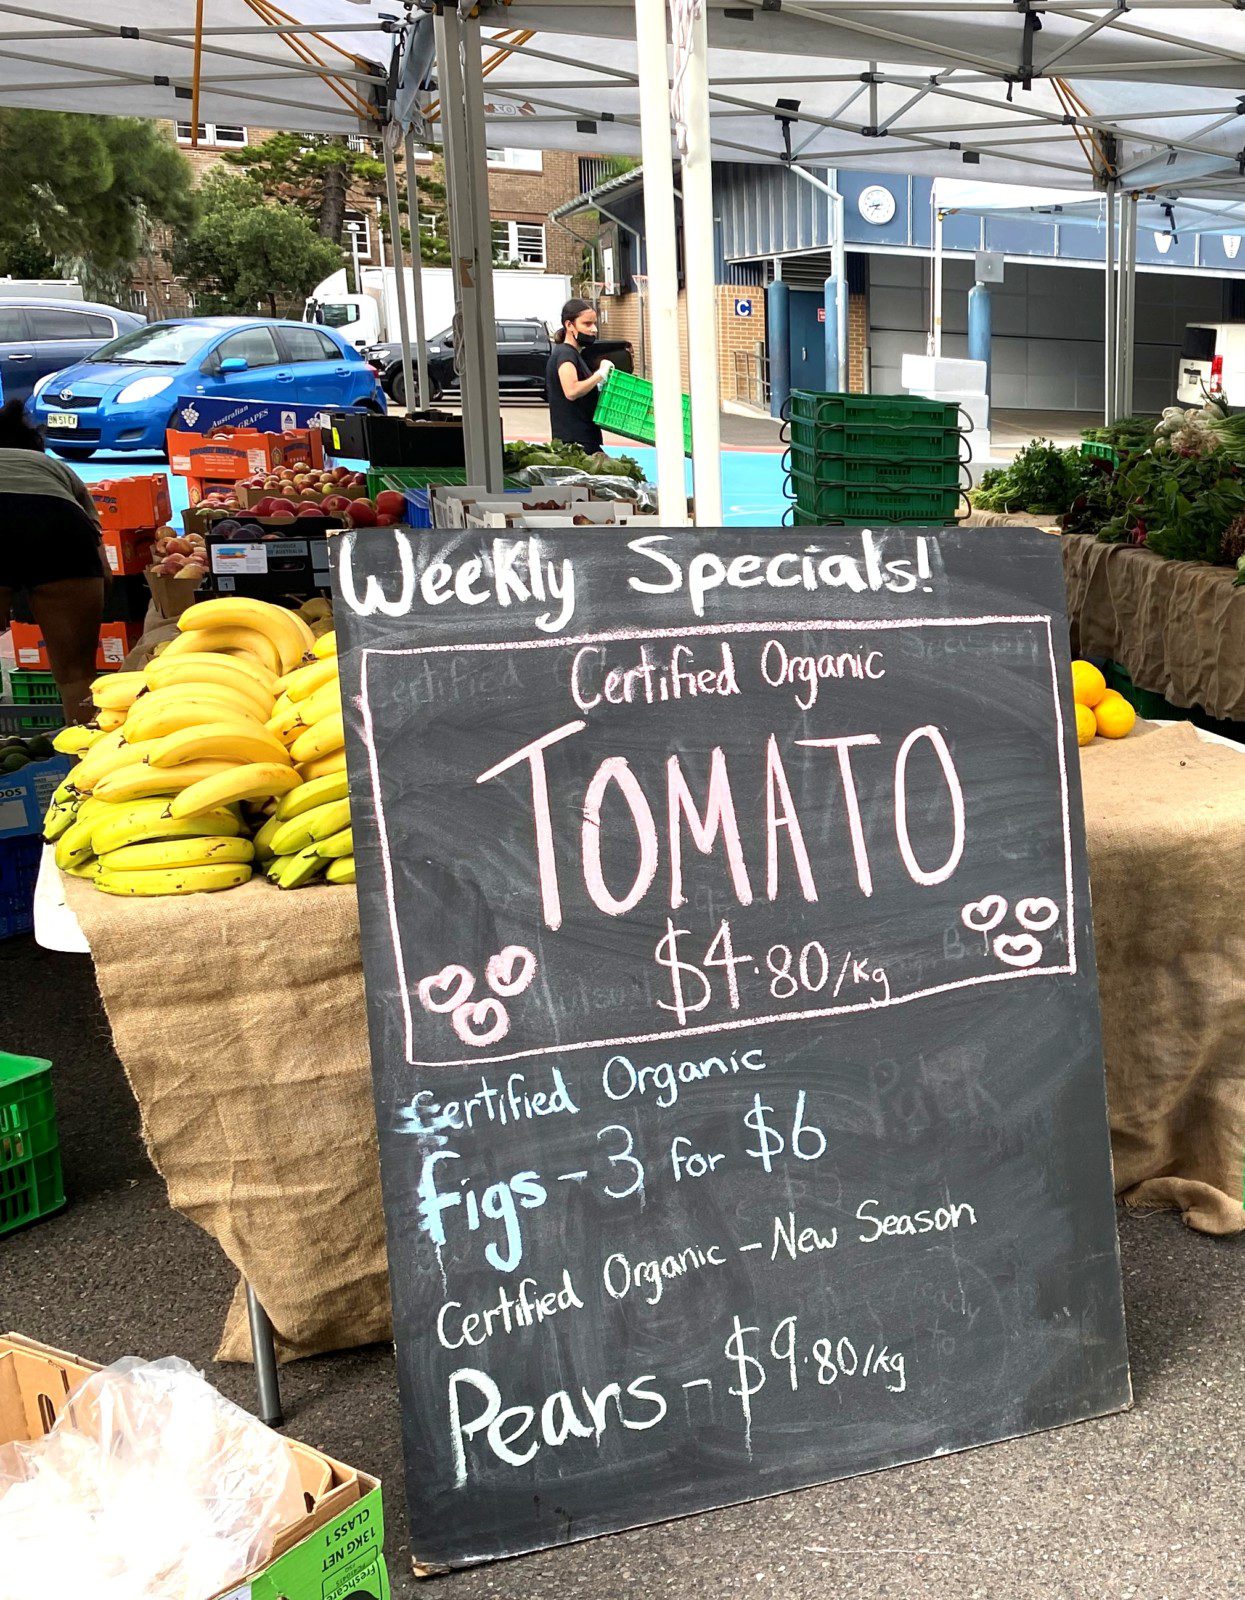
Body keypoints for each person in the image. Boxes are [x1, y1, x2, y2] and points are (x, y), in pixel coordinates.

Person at [0, 399, 106, 723]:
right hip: (59, 526)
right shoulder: (55, 468)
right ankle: (86, 750)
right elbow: (102, 562)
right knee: (76, 676)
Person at [546, 298, 614, 452]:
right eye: (587, 324)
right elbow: (571, 391)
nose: (594, 329)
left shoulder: (574, 354)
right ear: (569, 325)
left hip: (585, 440)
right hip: (575, 445)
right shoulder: (565, 354)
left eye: (594, 323)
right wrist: (599, 375)